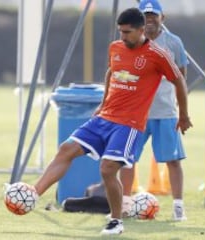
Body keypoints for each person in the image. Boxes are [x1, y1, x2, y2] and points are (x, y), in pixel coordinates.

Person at [25, 7, 192, 236]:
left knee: (107, 168)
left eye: (127, 32)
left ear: (141, 30)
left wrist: (183, 115)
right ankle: (32, 195)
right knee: (66, 149)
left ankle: (116, 221)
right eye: (120, 32)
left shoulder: (157, 54)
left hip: (129, 124)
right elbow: (111, 73)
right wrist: (103, 104)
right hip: (105, 117)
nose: (122, 37)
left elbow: (179, 81)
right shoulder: (115, 48)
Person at [120, 0, 189, 221]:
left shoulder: (173, 42)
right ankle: (125, 203)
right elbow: (119, 74)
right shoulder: (130, 41)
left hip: (166, 112)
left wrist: (183, 111)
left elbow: (181, 77)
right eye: (145, 16)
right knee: (127, 158)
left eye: (154, 16)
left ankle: (178, 206)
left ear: (162, 18)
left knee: (173, 160)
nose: (150, 20)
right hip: (136, 113)